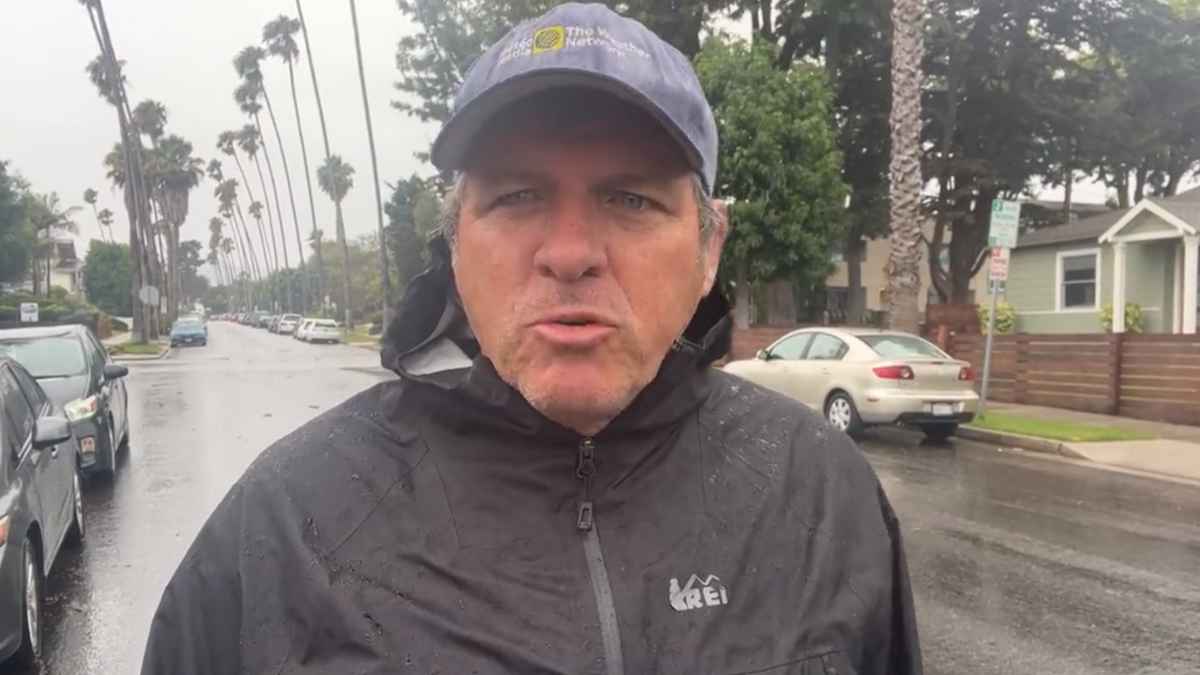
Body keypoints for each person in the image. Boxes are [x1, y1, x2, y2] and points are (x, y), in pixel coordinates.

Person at [141, 3, 921, 673]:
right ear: (455, 245)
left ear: (708, 246)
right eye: (516, 196)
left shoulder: (823, 495)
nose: (570, 253)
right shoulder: (285, 527)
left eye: (631, 199)